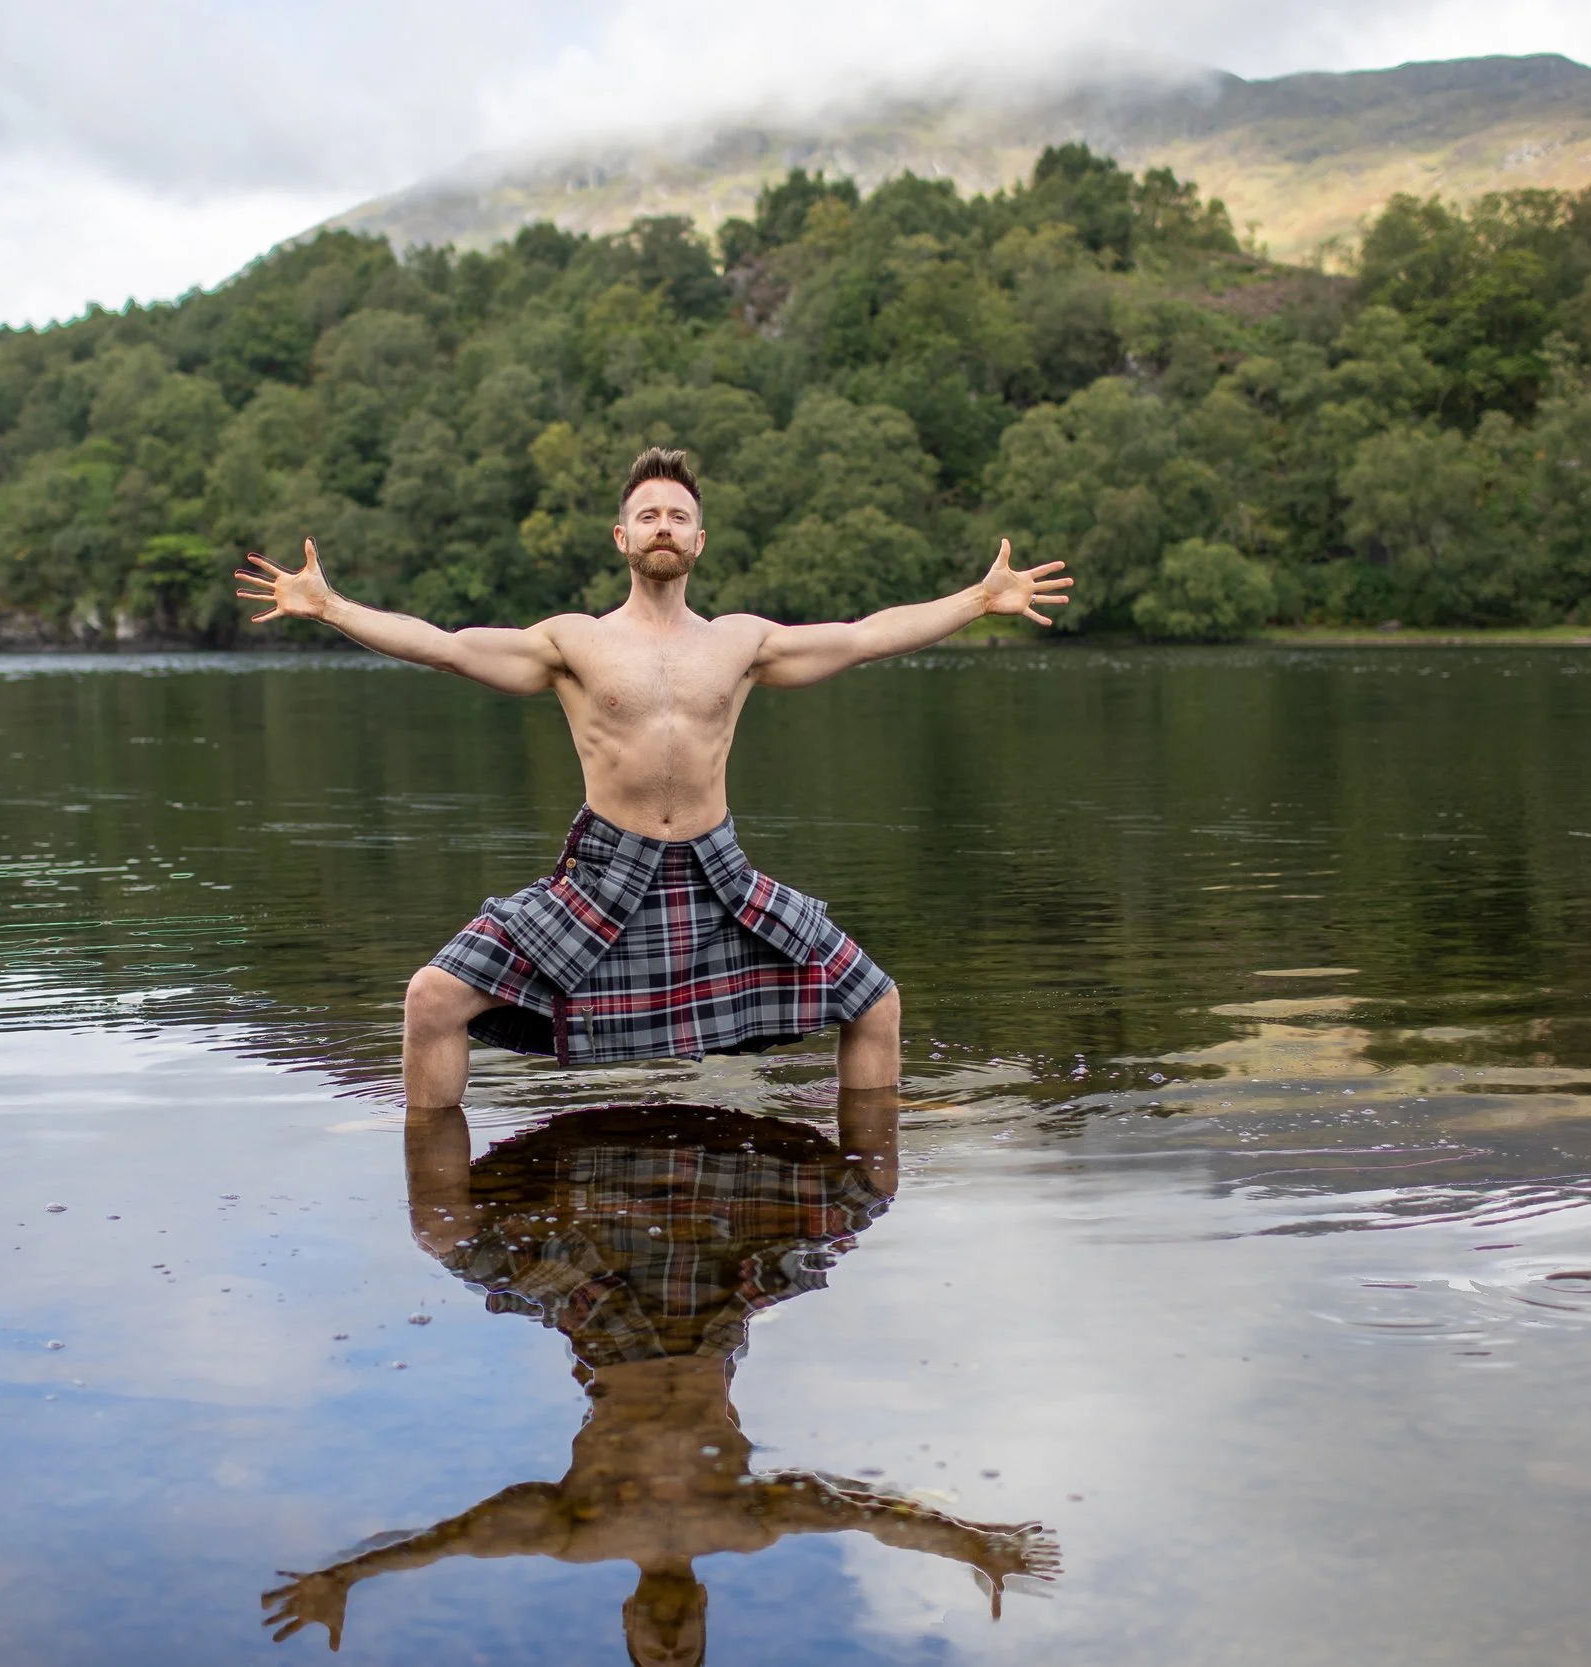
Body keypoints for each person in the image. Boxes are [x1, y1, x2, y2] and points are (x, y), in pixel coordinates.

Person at [236, 446, 1068, 1104]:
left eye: (678, 514)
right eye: (648, 514)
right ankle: (442, 1195)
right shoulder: (572, 641)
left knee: (874, 1001)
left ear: (698, 541)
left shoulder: (741, 641)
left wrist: (975, 601)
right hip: (603, 875)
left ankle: (859, 1170)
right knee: (431, 1000)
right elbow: (446, 645)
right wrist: (333, 606)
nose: (663, 524)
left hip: (720, 874)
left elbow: (863, 635)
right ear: (622, 539)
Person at [260, 1097, 1058, 1661]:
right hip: (714, 1326)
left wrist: (352, 1571)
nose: (671, 1645)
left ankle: (456, 1125)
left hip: (608, 1333)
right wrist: (968, 1540)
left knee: (446, 1236)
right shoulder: (742, 1529)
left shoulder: (580, 1535)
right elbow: (851, 1509)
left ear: (629, 1625)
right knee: (866, 1197)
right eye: (687, 1654)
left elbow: (459, 1537)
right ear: (704, 1617)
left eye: (656, 1654)